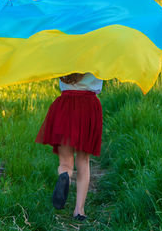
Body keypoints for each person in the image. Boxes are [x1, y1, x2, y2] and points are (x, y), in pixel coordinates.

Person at [35, 72, 103, 221]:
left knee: (65, 162)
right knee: (83, 161)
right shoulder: (98, 52)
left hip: (65, 105)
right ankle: (79, 210)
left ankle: (64, 175)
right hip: (89, 107)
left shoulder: (64, 54)